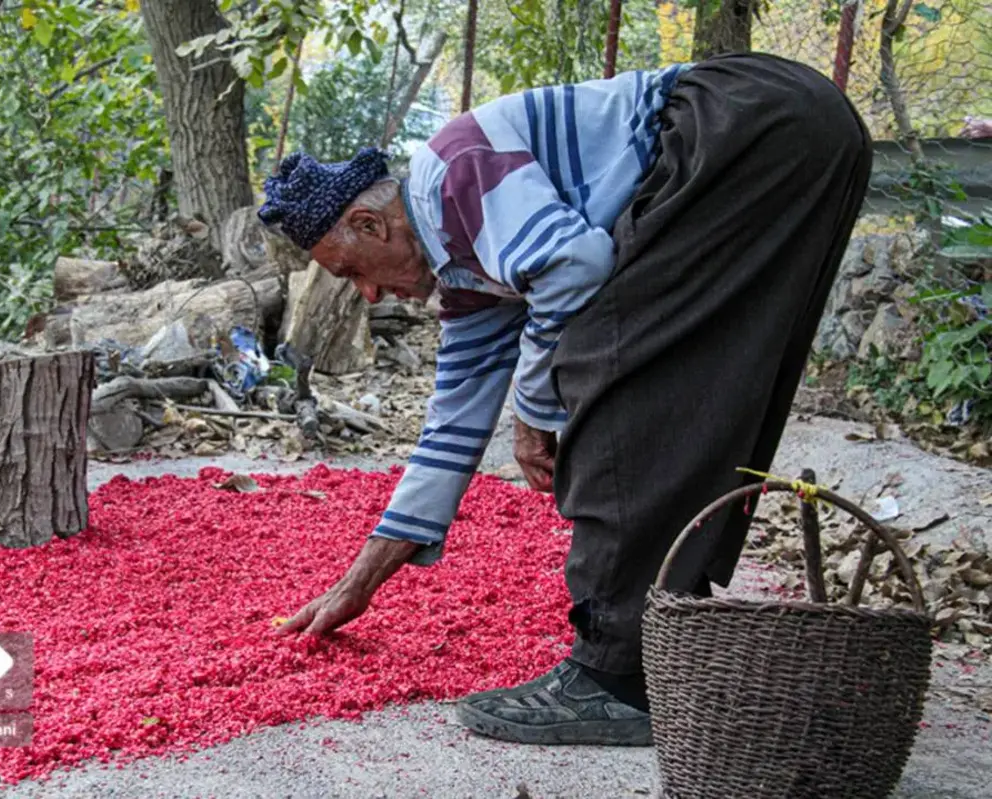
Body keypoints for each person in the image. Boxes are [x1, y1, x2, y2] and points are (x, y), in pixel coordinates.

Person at [256, 52, 873, 747]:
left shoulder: (450, 174)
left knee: (605, 365)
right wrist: (360, 584)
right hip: (798, 125)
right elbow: (451, 430)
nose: (367, 296)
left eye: (352, 274)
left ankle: (614, 677)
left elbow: (573, 265)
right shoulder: (469, 277)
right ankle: (666, 636)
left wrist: (535, 412)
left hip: (739, 124)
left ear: (371, 226)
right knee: (699, 383)